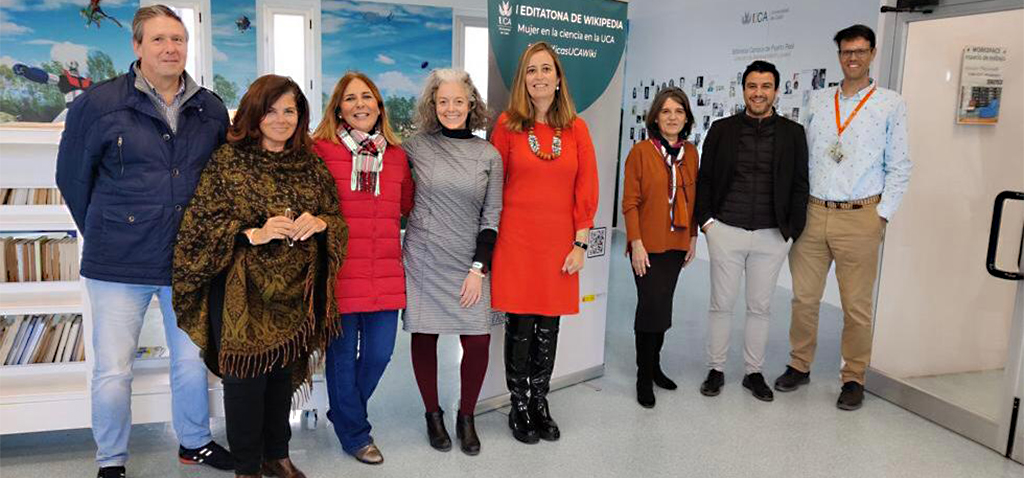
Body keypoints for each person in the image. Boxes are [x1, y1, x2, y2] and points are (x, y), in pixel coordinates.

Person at [54, 6, 232, 477]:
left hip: (188, 262)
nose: (170, 48)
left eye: (178, 39)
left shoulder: (210, 106)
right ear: (137, 46)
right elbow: (72, 178)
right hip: (117, 262)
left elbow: (222, 180)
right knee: (113, 371)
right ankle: (111, 459)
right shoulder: (98, 104)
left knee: (192, 362)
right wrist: (109, 228)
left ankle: (194, 442)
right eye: (158, 40)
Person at [172, 75, 347, 478]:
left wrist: (319, 223)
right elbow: (199, 227)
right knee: (245, 380)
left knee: (281, 375)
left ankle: (277, 455)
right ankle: (248, 465)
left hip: (293, 293)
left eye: (290, 110)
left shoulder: (311, 164)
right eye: (271, 110)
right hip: (240, 293)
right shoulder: (228, 161)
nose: (281, 119)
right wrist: (253, 232)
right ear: (254, 113)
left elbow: (335, 218)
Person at [774, 24, 911, 411]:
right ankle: (799, 365)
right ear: (838, 56)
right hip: (814, 213)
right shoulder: (817, 100)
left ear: (872, 54)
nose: (853, 57)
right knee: (804, 299)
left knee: (855, 306)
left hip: (860, 216)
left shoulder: (890, 103)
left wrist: (880, 216)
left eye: (860, 51)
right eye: (846, 51)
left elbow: (900, 165)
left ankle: (853, 377)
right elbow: (803, 157)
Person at [490, 41, 599, 444]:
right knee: (520, 328)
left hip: (559, 245)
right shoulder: (506, 125)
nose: (539, 76)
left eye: (546, 69)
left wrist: (580, 243)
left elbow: (587, 187)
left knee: (548, 328)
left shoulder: (577, 128)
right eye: (531, 70)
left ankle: (540, 402)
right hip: (516, 242)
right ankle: (519, 406)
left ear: (558, 78)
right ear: (523, 79)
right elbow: (494, 186)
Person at [312, 72, 414, 464]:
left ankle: (342, 411)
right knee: (340, 358)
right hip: (338, 274)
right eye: (350, 98)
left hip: (385, 272)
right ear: (338, 107)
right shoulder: (321, 150)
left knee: (379, 354)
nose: (360, 104)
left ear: (379, 106)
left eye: (367, 97)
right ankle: (356, 435)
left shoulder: (399, 156)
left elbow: (405, 206)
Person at [693, 60, 809, 402]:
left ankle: (753, 372)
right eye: (752, 86)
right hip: (725, 230)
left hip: (772, 235)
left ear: (776, 91)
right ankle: (716, 369)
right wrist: (707, 223)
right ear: (743, 90)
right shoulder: (721, 129)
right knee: (721, 304)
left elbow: (801, 185)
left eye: (766, 86)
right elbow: (706, 180)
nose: (758, 93)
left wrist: (791, 232)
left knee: (760, 308)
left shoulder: (793, 133)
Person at [402, 69, 503, 455]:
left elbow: (492, 218)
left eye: (458, 100)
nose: (450, 108)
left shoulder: (488, 154)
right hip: (424, 260)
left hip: (468, 262)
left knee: (477, 341)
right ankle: (432, 414)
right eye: (442, 101)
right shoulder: (415, 147)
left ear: (471, 104)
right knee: (424, 336)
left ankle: (467, 416)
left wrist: (478, 269)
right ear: (433, 105)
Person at [621, 86, 699, 408]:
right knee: (650, 306)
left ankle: (655, 368)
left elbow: (694, 199)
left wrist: (692, 237)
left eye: (678, 111)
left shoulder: (691, 153)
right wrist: (635, 242)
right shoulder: (641, 152)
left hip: (678, 242)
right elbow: (630, 202)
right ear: (655, 117)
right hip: (648, 244)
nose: (672, 117)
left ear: (686, 118)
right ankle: (643, 376)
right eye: (666, 111)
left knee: (663, 307)